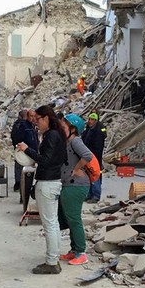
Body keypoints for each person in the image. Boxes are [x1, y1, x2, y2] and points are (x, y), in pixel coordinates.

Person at [17, 105, 67, 274]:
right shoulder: (57, 134)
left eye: (37, 119)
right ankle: (54, 258)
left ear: (46, 118)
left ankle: (52, 262)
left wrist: (27, 150)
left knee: (49, 224)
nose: (35, 122)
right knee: (53, 223)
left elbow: (45, 160)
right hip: (53, 181)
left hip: (47, 182)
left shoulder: (51, 136)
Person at [59, 113, 93, 265]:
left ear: (72, 129)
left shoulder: (75, 141)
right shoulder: (68, 142)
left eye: (64, 126)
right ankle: (74, 250)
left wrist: (77, 168)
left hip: (76, 185)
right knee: (69, 218)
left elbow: (87, 155)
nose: (61, 128)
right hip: (69, 184)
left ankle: (81, 252)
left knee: (74, 219)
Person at [81, 112, 105, 203]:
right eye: (89, 119)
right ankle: (90, 194)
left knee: (95, 175)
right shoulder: (89, 129)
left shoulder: (98, 131)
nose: (90, 121)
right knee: (89, 175)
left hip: (94, 157)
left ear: (95, 121)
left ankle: (96, 195)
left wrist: (93, 157)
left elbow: (98, 146)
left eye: (92, 120)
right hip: (88, 156)